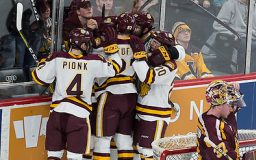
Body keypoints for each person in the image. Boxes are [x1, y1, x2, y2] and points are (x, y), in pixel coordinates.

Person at [31, 27, 124, 160]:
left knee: (53, 156)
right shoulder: (93, 61)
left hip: (57, 114)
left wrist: (42, 63)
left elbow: (39, 78)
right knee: (74, 157)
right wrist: (113, 49)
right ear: (82, 44)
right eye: (87, 43)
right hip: (79, 116)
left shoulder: (57, 57)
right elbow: (116, 68)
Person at [92, 12, 144, 160]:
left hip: (111, 94)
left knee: (102, 139)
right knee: (124, 137)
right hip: (131, 95)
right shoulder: (137, 43)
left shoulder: (108, 41)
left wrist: (97, 34)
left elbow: (91, 56)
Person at [132, 31, 184, 159]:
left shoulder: (170, 65)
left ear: (164, 47)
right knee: (138, 149)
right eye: (153, 41)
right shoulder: (150, 57)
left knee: (148, 151)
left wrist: (138, 58)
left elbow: (148, 76)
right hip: (141, 110)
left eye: (156, 42)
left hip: (155, 115)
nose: (152, 44)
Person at [211, 0, 256, 72]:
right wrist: (233, 36)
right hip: (236, 38)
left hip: (253, 40)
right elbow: (218, 24)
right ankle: (246, 77)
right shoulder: (230, 4)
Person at [196, 80, 245, 160]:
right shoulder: (210, 124)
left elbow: (237, 106)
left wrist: (236, 91)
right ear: (219, 106)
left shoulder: (226, 113)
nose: (232, 108)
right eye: (230, 104)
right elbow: (221, 156)